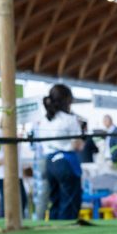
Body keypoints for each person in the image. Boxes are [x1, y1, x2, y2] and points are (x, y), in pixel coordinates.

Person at [37, 84, 83, 220]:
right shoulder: (70, 119)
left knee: (54, 201)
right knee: (69, 202)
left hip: (49, 162)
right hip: (65, 162)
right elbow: (77, 145)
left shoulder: (44, 120)